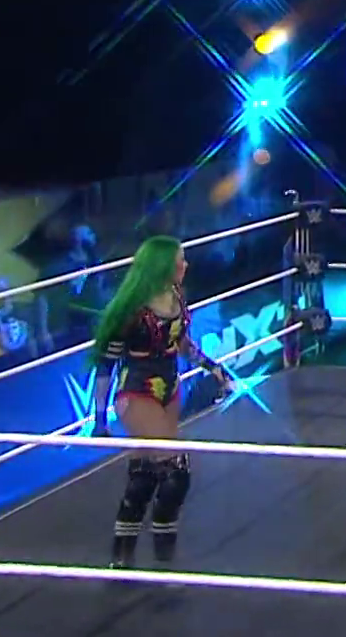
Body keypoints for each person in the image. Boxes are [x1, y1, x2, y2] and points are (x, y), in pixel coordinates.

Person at [86, 235, 232, 569]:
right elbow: (105, 366)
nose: (185, 265)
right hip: (137, 391)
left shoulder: (176, 296)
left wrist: (212, 367)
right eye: (180, 259)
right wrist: (99, 418)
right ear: (163, 265)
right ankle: (164, 553)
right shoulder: (132, 311)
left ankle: (123, 554)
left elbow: (182, 343)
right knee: (175, 469)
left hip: (169, 388)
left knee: (147, 471)